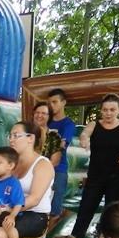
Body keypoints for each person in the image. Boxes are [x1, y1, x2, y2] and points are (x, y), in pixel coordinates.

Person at [73, 94, 119, 238]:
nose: (108, 113)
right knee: (84, 213)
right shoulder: (94, 124)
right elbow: (85, 134)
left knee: (112, 216)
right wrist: (84, 140)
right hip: (95, 178)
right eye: (105, 110)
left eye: (112, 110)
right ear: (101, 111)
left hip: (117, 179)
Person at [0, 121, 55, 238]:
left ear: (30, 138)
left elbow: (34, 199)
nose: (11, 139)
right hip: (7, 213)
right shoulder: (8, 164)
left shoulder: (43, 164)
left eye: (16, 135)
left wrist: (2, 208)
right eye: (10, 136)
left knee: (0, 233)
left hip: (35, 216)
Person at [46, 88, 78, 221]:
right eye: (49, 103)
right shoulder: (46, 121)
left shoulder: (68, 124)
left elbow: (62, 144)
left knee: (55, 208)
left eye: (55, 102)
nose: (51, 105)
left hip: (59, 169)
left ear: (63, 102)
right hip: (42, 167)